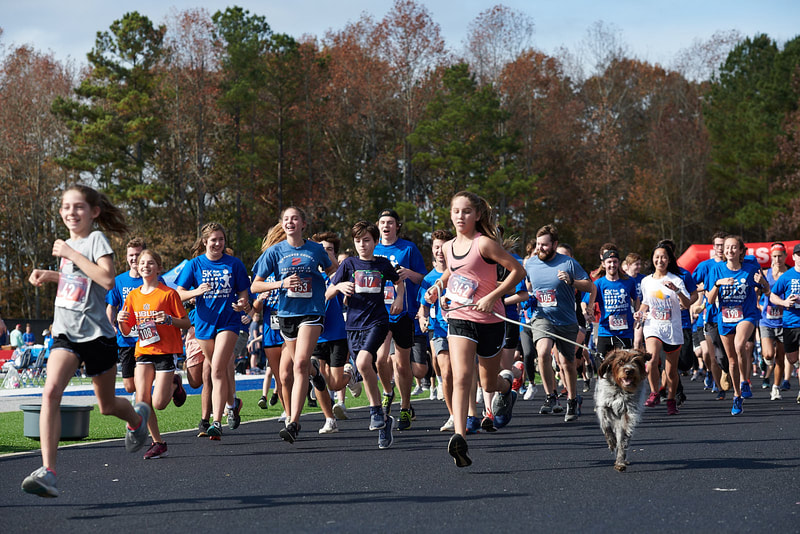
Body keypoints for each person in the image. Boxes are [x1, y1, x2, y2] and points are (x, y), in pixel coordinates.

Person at [22, 184, 150, 498]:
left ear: (93, 212)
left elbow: (107, 279)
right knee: (51, 391)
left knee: (107, 406)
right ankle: (48, 471)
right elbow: (78, 281)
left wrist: (69, 252)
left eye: (78, 206)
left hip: (97, 337)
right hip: (66, 334)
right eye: (66, 206)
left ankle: (137, 419)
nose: (70, 212)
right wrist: (51, 275)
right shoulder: (70, 246)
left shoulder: (95, 240)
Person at [425, 191, 525, 467]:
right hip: (458, 318)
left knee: (488, 383)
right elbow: (453, 271)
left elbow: (518, 271)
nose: (460, 216)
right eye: (456, 211)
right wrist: (437, 288)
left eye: (466, 211)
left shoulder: (485, 245)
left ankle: (508, 388)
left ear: (477, 215)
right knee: (461, 376)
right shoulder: (447, 247)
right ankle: (460, 437)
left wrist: (493, 295)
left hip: (490, 320)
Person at [251, 207, 334, 444]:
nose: (290, 222)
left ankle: (293, 422)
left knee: (299, 364)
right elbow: (255, 286)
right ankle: (316, 373)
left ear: (303, 223)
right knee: (304, 366)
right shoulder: (274, 252)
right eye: (286, 219)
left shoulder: (315, 249)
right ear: (282, 224)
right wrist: (280, 283)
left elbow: (332, 270)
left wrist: (329, 287)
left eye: (295, 218)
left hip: (312, 312)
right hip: (286, 314)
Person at [329, 220, 404, 449]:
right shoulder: (349, 264)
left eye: (367, 240)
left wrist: (399, 298)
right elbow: (329, 291)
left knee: (363, 362)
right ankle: (382, 420)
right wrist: (340, 287)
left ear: (375, 242)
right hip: (352, 326)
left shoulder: (382, 264)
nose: (362, 244)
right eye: (358, 240)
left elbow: (398, 281)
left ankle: (374, 411)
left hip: (378, 321)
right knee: (364, 366)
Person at [176, 222, 251, 440]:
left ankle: (216, 422)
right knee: (221, 369)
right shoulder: (194, 265)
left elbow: (243, 294)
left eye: (221, 239)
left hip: (228, 322)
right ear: (205, 242)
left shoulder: (234, 264)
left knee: (216, 369)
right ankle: (232, 403)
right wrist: (196, 291)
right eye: (213, 240)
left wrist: (241, 303)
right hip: (203, 325)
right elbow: (178, 294)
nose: (217, 243)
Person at [117, 249, 190, 459]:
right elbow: (126, 330)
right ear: (137, 268)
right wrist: (121, 319)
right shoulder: (133, 296)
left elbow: (186, 322)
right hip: (143, 351)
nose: (145, 266)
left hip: (165, 351)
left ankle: (175, 384)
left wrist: (168, 319)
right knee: (142, 400)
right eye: (142, 263)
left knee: (159, 403)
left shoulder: (169, 294)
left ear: (159, 268)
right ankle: (158, 442)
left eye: (150, 263)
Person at [524, 225, 595, 421]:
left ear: (554, 244)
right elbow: (528, 285)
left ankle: (572, 399)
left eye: (545, 245)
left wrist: (572, 282)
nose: (540, 248)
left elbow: (589, 285)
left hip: (566, 319)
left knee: (567, 363)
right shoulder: (530, 264)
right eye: (538, 244)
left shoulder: (568, 263)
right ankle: (550, 396)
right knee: (543, 352)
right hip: (542, 316)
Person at [374, 209, 427, 431]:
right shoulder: (373, 249)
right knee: (380, 360)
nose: (386, 226)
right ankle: (387, 391)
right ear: (378, 226)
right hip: (379, 312)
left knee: (403, 365)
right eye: (383, 222)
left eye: (391, 223)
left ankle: (406, 407)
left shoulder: (408, 248)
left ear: (397, 226)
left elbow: (423, 277)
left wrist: (407, 273)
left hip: (404, 313)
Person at [706, 235, 768, 415]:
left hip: (746, 315)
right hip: (725, 319)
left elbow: (766, 289)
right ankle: (737, 395)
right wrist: (718, 284)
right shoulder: (716, 269)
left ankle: (745, 380)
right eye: (727, 247)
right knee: (731, 360)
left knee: (740, 344)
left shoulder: (750, 268)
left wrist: (763, 282)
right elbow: (710, 300)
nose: (730, 250)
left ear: (741, 250)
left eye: (734, 247)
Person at [635, 244, 691, 415]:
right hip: (653, 326)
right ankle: (654, 392)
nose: (660, 260)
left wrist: (677, 291)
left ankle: (672, 399)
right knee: (651, 360)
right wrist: (639, 313)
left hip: (672, 328)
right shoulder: (646, 281)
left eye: (664, 257)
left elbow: (687, 304)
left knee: (671, 371)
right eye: (657, 257)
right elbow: (645, 303)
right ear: (652, 259)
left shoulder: (676, 280)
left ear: (669, 260)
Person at [106, 237, 147, 393]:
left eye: (137, 254)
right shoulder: (119, 281)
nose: (134, 258)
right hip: (126, 338)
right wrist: (111, 325)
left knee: (143, 380)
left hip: (147, 338)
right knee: (129, 387)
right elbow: (111, 306)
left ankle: (141, 408)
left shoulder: (153, 279)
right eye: (131, 255)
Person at [768, 243, 800, 404]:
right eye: (798, 255)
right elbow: (772, 296)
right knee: (792, 358)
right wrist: (784, 302)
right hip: (790, 323)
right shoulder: (787, 276)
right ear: (793, 257)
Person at [594, 250, 639, 356]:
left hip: (625, 332)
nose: (612, 265)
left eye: (615, 262)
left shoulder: (629, 281)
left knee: (623, 366)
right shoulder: (598, 284)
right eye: (609, 262)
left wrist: (637, 314)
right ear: (603, 264)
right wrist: (587, 312)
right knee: (603, 366)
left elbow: (636, 299)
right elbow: (585, 301)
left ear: (619, 263)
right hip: (605, 331)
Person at [760, 242, 788, 400]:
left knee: (780, 358)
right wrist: (758, 306)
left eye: (780, 256)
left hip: (785, 321)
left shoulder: (791, 274)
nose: (777, 259)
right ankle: (764, 360)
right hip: (767, 321)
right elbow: (756, 295)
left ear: (785, 256)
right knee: (769, 354)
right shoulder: (765, 274)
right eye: (774, 256)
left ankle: (776, 388)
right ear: (771, 257)